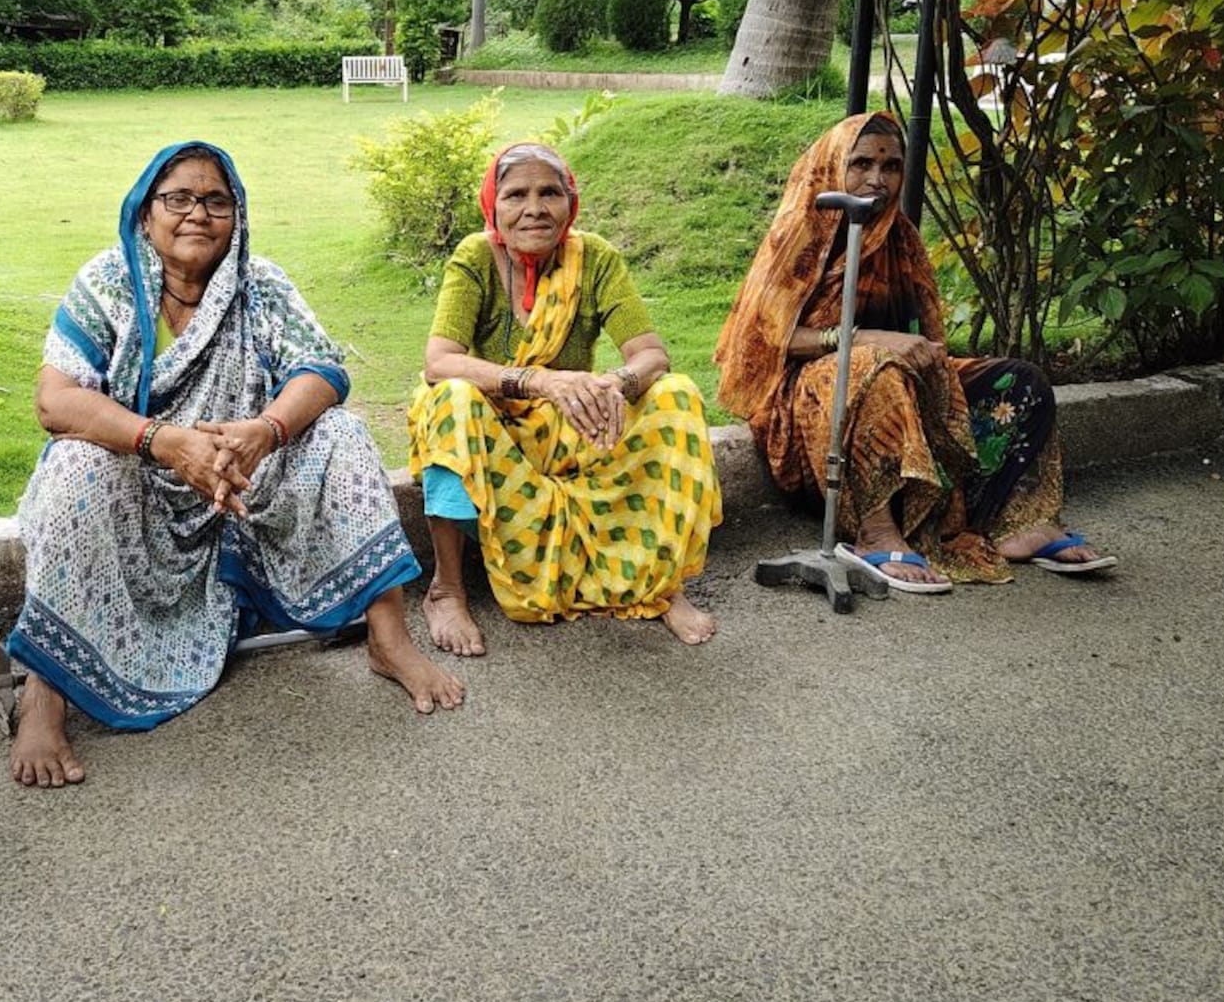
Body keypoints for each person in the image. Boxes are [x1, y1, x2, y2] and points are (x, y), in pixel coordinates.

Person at [8, 141, 464, 787]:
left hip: (245, 485)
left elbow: (322, 370)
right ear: (146, 213)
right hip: (140, 487)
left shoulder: (261, 284)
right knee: (74, 468)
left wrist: (264, 430)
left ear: (237, 215)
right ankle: (43, 693)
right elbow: (55, 401)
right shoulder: (108, 282)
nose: (197, 214)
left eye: (216, 201)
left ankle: (389, 638)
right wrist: (164, 442)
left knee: (340, 433)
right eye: (178, 199)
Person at [714, 112, 1113, 592]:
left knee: (1018, 381)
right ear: (832, 167)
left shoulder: (901, 237)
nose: (876, 180)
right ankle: (874, 530)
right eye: (861, 164)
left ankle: (1014, 522)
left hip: (893, 372)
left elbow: (925, 336)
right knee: (873, 368)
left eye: (891, 166)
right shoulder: (798, 236)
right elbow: (762, 343)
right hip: (808, 390)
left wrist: (925, 364)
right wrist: (860, 339)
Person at [406, 142, 723, 656]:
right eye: (516, 195)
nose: (534, 208)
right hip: (497, 431)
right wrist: (538, 381)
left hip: (576, 424)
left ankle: (661, 585)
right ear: (494, 205)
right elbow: (439, 361)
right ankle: (446, 589)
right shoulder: (475, 258)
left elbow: (650, 354)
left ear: (570, 203)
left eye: (549, 192)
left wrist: (613, 384)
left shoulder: (593, 258)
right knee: (451, 402)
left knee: (676, 394)